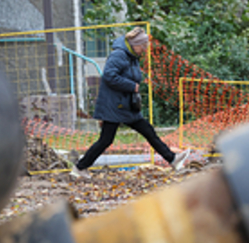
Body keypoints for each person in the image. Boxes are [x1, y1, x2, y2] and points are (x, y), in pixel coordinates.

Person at [71, 27, 190, 179]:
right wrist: (131, 86)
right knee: (106, 140)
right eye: (143, 46)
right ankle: (80, 167)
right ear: (134, 44)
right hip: (114, 106)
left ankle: (173, 159)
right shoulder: (119, 55)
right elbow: (109, 75)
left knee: (147, 131)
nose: (145, 49)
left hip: (125, 105)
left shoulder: (131, 56)